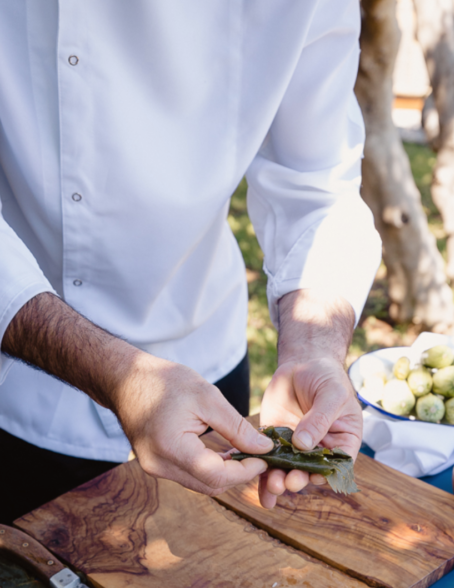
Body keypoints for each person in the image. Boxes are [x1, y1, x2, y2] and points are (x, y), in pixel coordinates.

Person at [0, 1, 381, 525]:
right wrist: (120, 376)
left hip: (208, 376)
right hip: (16, 383)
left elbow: (317, 183)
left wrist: (314, 347)